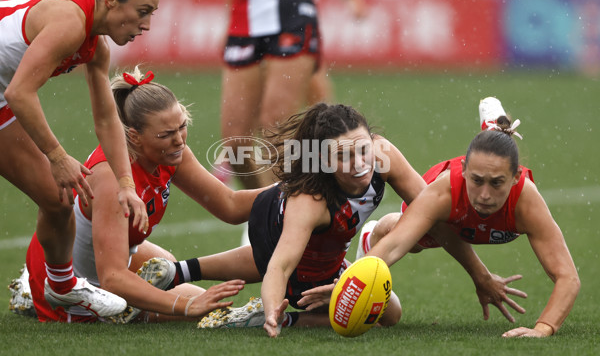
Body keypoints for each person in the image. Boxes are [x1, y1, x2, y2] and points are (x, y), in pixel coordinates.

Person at [133, 102, 522, 337]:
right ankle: (267, 320)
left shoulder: (384, 156)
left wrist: (481, 275)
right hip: (283, 227)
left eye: (362, 150)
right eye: (342, 157)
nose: (358, 165)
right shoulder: (311, 200)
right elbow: (281, 264)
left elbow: (435, 218)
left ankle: (179, 271)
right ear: (322, 160)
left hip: (307, 228)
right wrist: (273, 307)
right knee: (388, 313)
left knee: (278, 229)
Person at [306, 97, 581, 338]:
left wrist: (543, 328)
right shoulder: (444, 191)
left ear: (516, 178)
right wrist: (348, 284)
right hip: (445, 221)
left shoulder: (526, 200)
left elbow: (567, 277)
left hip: (466, 220)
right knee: (400, 236)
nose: (484, 194)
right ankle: (374, 231)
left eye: (497, 183)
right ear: (462, 170)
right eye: (476, 180)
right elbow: (395, 246)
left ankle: (494, 125)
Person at [12, 67, 268, 323]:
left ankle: (128, 302)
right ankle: (33, 292)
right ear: (134, 137)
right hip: (78, 288)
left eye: (182, 127)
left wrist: (290, 189)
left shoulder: (171, 152)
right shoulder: (111, 180)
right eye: (166, 135)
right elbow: (112, 278)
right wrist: (186, 306)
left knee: (165, 265)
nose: (179, 140)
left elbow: (230, 206)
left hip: (107, 263)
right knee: (199, 311)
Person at [1, 0, 157, 317]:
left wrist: (126, 185)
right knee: (59, 188)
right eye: (143, 11)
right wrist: (57, 156)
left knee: (58, 199)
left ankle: (62, 287)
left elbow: (106, 118)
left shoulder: (95, 44)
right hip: (6, 94)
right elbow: (20, 93)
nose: (147, 25)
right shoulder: (70, 22)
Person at [200, 0, 366, 190]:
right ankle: (261, 208)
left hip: (295, 17)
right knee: (235, 142)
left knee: (276, 127)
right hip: (244, 22)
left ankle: (299, 203)